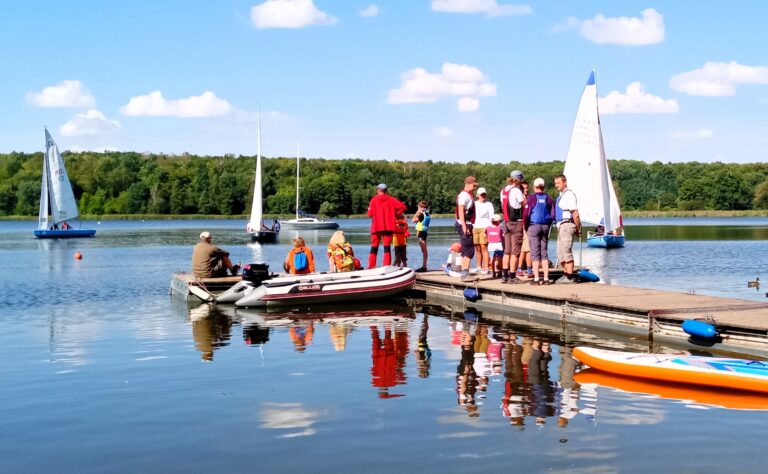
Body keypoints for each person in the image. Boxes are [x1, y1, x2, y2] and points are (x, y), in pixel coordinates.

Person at [524, 178, 555, 285]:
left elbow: (526, 215)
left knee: (535, 253)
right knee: (544, 253)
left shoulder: (531, 198)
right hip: (545, 226)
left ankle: (536, 278)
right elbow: (552, 214)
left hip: (533, 226)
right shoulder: (549, 198)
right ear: (544, 186)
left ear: (534, 186)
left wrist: (526, 226)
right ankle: (546, 278)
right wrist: (548, 224)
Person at [367, 183, 406, 269]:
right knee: (387, 247)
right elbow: (403, 206)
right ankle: (386, 266)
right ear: (386, 191)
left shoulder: (374, 200)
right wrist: (396, 214)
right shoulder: (391, 199)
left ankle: (371, 266)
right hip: (388, 226)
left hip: (376, 226)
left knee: (374, 247)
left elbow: (369, 215)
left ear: (378, 190)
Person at [499, 170, 525, 284]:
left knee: (507, 251)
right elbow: (524, 204)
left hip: (506, 222)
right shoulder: (516, 191)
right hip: (516, 222)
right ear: (518, 180)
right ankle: (512, 276)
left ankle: (504, 275)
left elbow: (502, 205)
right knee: (515, 251)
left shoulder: (503, 190)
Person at [554, 174, 581, 283]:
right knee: (560, 252)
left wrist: (578, 228)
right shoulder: (562, 195)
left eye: (558, 183)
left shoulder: (569, 195)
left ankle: (569, 276)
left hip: (567, 224)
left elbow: (575, 213)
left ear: (565, 182)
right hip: (561, 226)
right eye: (555, 183)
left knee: (566, 251)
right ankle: (565, 274)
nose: (556, 185)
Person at [456, 176, 479, 281]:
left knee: (466, 249)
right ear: (468, 184)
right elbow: (461, 210)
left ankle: (464, 272)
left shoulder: (467, 195)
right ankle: (465, 274)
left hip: (466, 223)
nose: (475, 188)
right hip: (465, 224)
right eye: (474, 185)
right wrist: (464, 226)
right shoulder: (464, 195)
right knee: (469, 249)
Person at [473, 187, 495, 275]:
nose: (483, 196)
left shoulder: (489, 204)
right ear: (477, 195)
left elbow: (491, 216)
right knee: (477, 248)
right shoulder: (474, 204)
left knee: (484, 247)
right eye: (481, 194)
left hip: (485, 227)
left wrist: (490, 227)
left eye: (484, 194)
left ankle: (486, 267)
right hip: (475, 227)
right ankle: (479, 266)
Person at [518, 180, 533, 280]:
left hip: (529, 224)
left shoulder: (529, 197)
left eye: (527, 188)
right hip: (523, 224)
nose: (526, 190)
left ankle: (522, 268)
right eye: (524, 188)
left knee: (525, 247)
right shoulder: (521, 199)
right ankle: (527, 268)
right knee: (527, 247)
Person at [412, 200, 431, 272]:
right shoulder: (427, 214)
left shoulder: (421, 214)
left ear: (420, 207)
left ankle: (424, 266)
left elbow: (413, 220)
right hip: (424, 232)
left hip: (421, 233)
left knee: (424, 250)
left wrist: (417, 212)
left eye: (418, 207)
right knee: (424, 250)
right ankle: (424, 266)